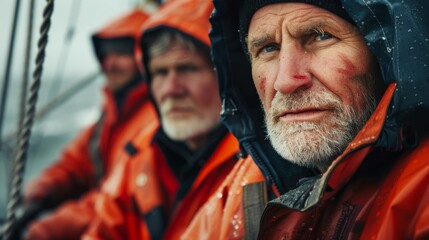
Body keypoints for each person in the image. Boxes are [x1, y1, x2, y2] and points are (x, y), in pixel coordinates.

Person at [183, 0, 429, 239]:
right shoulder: (246, 188)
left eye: (321, 36)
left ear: (385, 53)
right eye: (268, 48)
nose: (286, 82)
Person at [82, 0, 240, 239]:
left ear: (227, 75)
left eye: (188, 69)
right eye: (160, 73)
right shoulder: (138, 156)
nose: (171, 89)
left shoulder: (256, 166)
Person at [23, 9, 158, 239]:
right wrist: (46, 186)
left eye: (121, 53)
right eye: (105, 55)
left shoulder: (155, 120)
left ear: (144, 58)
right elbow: (78, 161)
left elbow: (118, 197)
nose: (110, 63)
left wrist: (52, 227)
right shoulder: (113, 111)